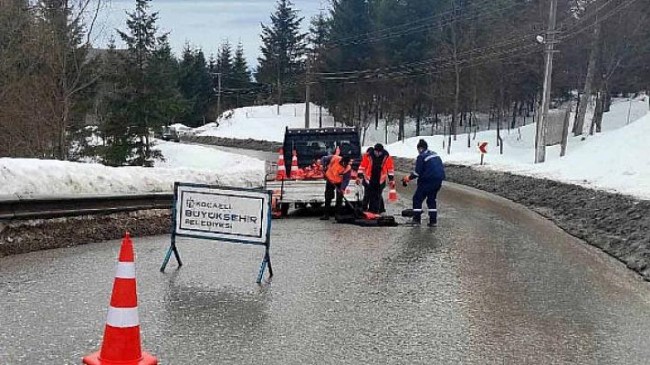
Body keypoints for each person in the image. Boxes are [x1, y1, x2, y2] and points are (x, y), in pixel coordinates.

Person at [402, 139, 445, 226]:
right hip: (438, 181)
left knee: (417, 199)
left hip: (427, 181)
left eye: (418, 150)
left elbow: (417, 173)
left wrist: (408, 178)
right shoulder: (435, 154)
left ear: (420, 148)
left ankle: (416, 220)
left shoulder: (421, 156)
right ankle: (433, 221)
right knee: (431, 200)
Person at [359, 143, 395, 214]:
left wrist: (391, 178)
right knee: (367, 195)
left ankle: (375, 211)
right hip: (369, 180)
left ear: (382, 151)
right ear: (374, 150)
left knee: (377, 196)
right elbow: (363, 166)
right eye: (376, 152)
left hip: (380, 180)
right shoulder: (368, 156)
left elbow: (390, 168)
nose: (378, 154)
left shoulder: (386, 157)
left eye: (379, 152)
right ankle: (364, 209)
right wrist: (360, 174)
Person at [320, 154, 352, 220]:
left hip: (339, 182)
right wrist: (321, 165)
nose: (345, 165)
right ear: (342, 161)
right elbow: (323, 158)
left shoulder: (348, 168)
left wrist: (342, 188)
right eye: (344, 163)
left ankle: (337, 215)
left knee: (339, 198)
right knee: (328, 197)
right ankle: (326, 215)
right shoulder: (335, 158)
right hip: (330, 179)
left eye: (346, 164)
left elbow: (346, 180)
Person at [357, 147, 374, 211]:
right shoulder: (366, 158)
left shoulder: (374, 159)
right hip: (367, 180)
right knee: (367, 195)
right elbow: (362, 167)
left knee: (373, 195)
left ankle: (372, 209)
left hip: (373, 180)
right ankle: (365, 208)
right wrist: (359, 175)